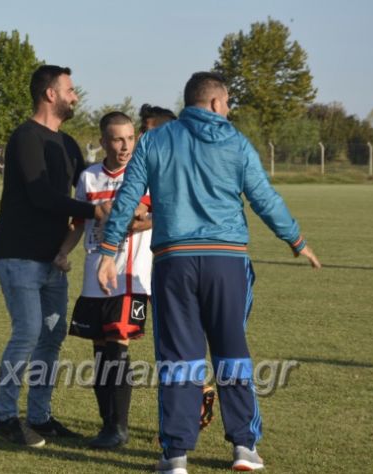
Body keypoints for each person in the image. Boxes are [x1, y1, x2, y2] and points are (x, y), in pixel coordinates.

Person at [97, 72, 321, 473]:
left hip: (174, 261)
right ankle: (244, 449)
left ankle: (176, 455)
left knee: (178, 358)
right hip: (227, 262)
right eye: (229, 102)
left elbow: (128, 196)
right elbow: (263, 197)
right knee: (232, 350)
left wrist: (109, 250)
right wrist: (296, 240)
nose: (229, 109)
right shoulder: (236, 142)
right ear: (217, 103)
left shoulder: (155, 140)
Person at [0, 65, 111, 448]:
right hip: (19, 256)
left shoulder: (69, 144)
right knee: (28, 331)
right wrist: (95, 212)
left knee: (52, 334)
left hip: (53, 261)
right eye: (70, 90)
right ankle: (6, 417)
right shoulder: (26, 138)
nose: (76, 97)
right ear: (50, 94)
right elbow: (42, 196)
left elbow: (91, 183)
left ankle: (39, 417)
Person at [53, 111, 152, 450]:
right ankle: (107, 424)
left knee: (117, 350)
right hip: (95, 277)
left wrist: (132, 222)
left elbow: (156, 216)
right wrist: (63, 252)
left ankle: (119, 429)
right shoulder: (90, 178)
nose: (125, 146)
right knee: (99, 355)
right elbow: (79, 223)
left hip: (129, 279)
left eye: (129, 138)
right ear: (104, 141)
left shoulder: (143, 174)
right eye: (117, 140)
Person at [138, 104, 218, 432]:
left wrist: (139, 219)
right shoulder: (151, 163)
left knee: (175, 345)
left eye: (149, 129)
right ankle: (194, 396)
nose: (144, 136)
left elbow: (161, 213)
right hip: (149, 266)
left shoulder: (172, 167)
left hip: (169, 267)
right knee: (175, 343)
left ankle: (181, 416)